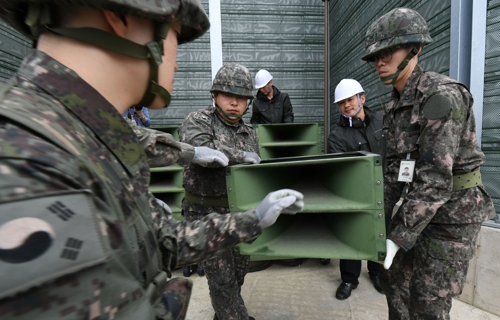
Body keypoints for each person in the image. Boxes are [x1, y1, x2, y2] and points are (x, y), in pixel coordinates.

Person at [0, 1, 306, 319]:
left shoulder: (93, 136)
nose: (176, 61)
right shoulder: (31, 154)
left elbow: (164, 241)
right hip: (203, 207)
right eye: (175, 33)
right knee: (225, 289)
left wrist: (253, 218)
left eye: (242, 98)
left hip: (227, 217)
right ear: (120, 17)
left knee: (235, 281)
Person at [362, 7, 495, 319]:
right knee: (393, 283)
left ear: (415, 49)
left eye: (389, 52)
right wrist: (379, 224)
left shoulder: (440, 95)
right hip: (415, 208)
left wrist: (398, 235)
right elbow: (396, 172)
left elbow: (435, 180)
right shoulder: (396, 104)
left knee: (427, 303)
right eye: (375, 56)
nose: (380, 62)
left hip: (451, 216)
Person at [179, 63, 262, 320]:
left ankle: (224, 315)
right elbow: (201, 150)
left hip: (237, 213)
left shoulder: (250, 132)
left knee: (238, 274)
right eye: (228, 95)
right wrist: (241, 156)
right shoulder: (198, 120)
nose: (234, 102)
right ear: (214, 95)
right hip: (204, 214)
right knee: (222, 281)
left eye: (241, 97)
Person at [327, 78, 387, 300]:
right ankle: (349, 279)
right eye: (341, 102)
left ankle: (377, 272)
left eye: (350, 99)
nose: (346, 105)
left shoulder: (382, 121)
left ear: (362, 98)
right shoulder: (337, 136)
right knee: (351, 235)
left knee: (379, 234)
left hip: (384, 192)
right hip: (355, 195)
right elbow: (340, 171)